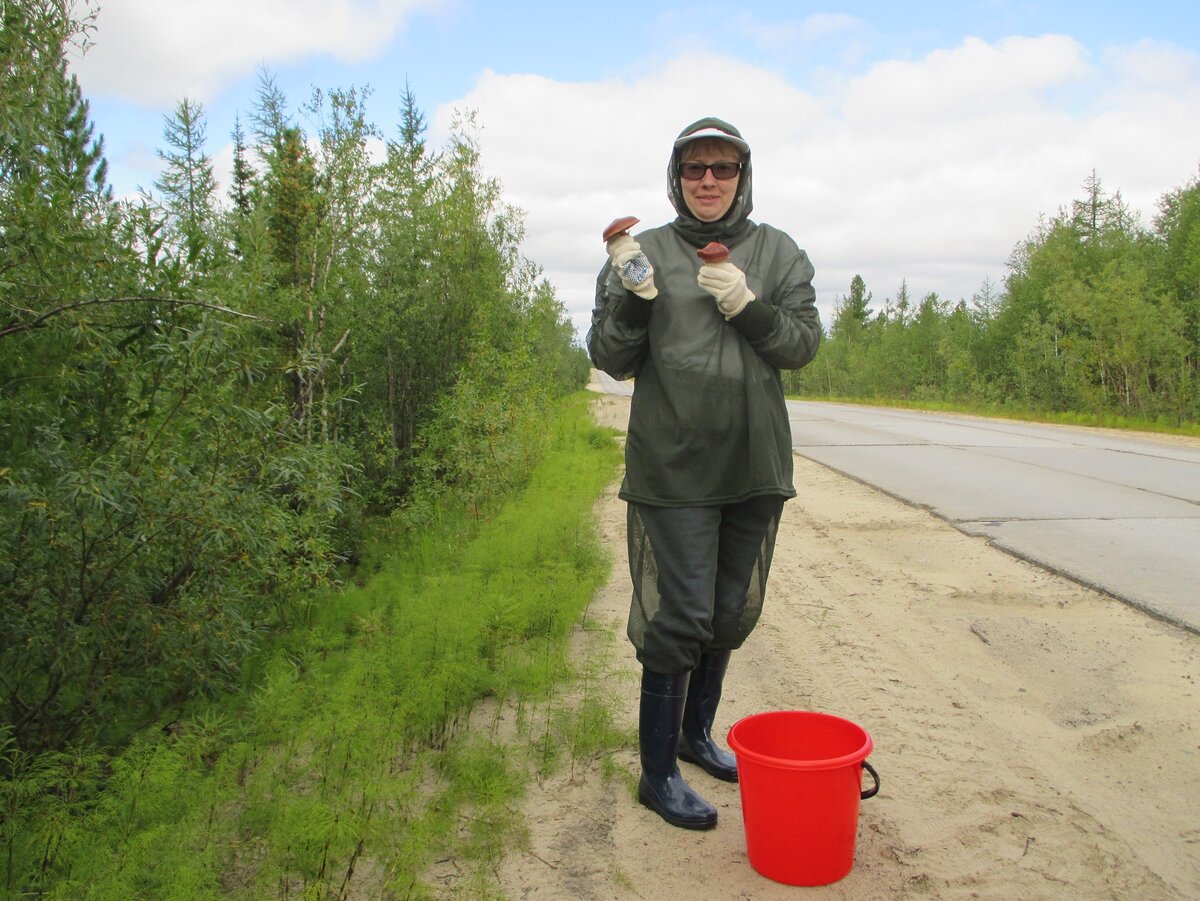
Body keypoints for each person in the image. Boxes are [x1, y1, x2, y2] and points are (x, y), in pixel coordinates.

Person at [586, 117, 821, 830]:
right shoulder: (645, 252)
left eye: (723, 168)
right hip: (675, 466)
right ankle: (657, 773)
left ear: (743, 176)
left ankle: (693, 735)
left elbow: (803, 344)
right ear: (677, 177)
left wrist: (748, 306)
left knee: (724, 614)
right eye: (696, 169)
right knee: (679, 616)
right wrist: (634, 297)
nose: (709, 180)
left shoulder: (779, 253)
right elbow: (610, 355)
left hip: (755, 465)